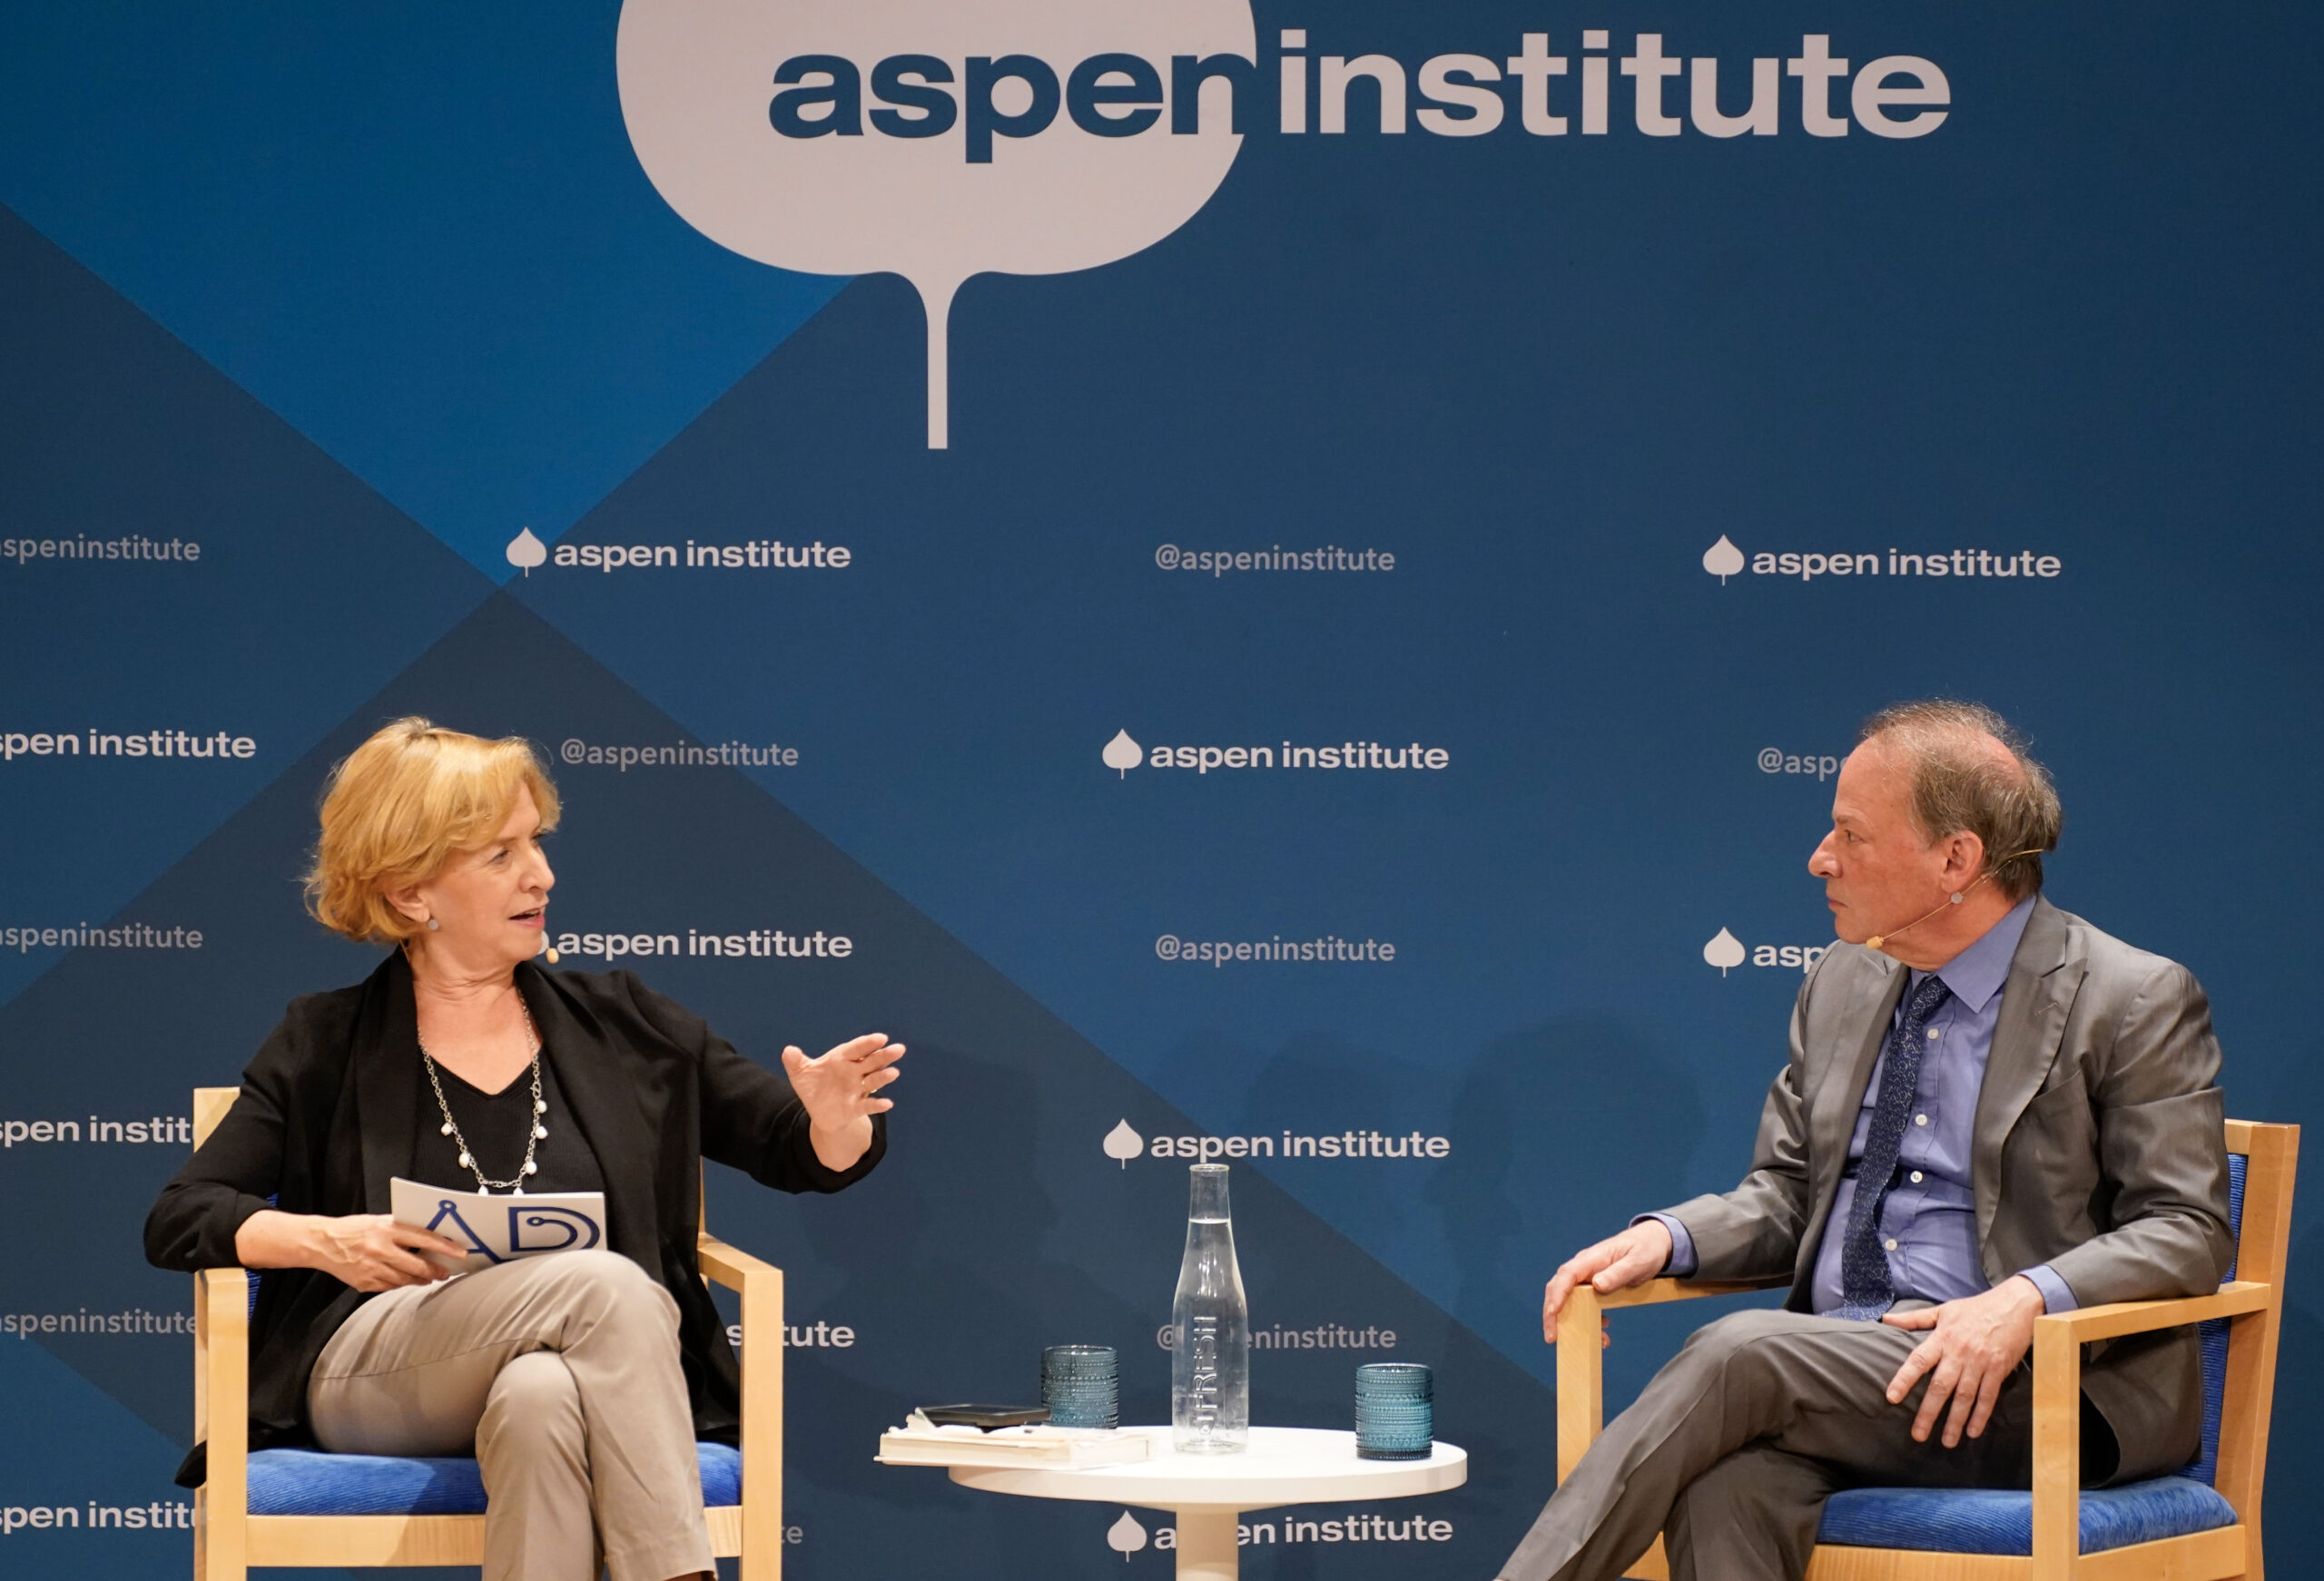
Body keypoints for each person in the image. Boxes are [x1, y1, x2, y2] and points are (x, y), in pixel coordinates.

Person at [145, 718, 903, 1581]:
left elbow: (793, 1148)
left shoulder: (626, 1023)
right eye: (501, 854)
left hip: (581, 1366)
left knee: (541, 1399)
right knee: (606, 1284)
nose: (541, 874)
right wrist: (328, 1240)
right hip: (379, 1372)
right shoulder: (323, 1042)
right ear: (410, 894)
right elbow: (180, 1217)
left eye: (535, 842)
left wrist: (833, 1118)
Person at [1501, 700, 2233, 1581]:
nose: (1821, 857)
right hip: (1840, 1371)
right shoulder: (1843, 981)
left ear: (1956, 859)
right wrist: (1671, 1238)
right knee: (1727, 1483)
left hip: (2028, 1383)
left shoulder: (2130, 996)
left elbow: (2187, 1228)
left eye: (1851, 834)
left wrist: (2024, 1299)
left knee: (1740, 1352)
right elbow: (1789, 1192)